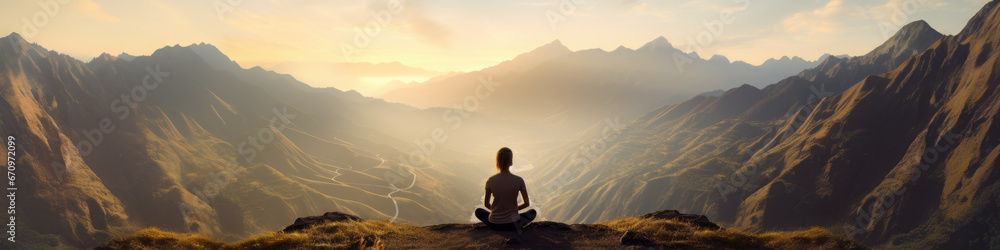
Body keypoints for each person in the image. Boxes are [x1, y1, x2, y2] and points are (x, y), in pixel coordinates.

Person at [475, 147, 537, 232]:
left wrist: (497, 211)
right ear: (511, 162)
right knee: (532, 212)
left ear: (497, 161)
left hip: (494, 224)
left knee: (478, 211)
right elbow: (526, 203)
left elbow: (486, 204)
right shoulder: (519, 180)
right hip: (514, 224)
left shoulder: (491, 180)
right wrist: (513, 211)